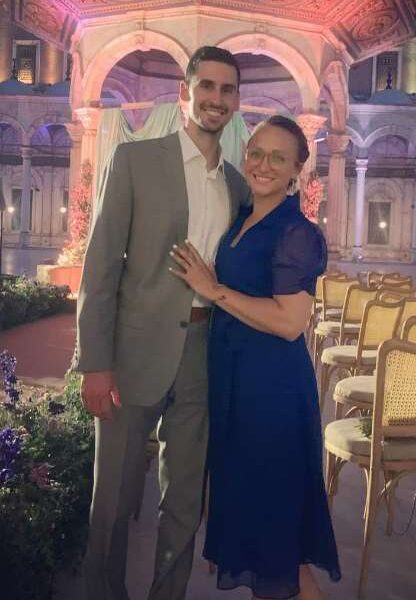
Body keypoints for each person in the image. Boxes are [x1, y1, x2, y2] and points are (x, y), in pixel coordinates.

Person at [73, 46, 250, 600]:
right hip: (132, 353)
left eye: (227, 89)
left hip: (204, 351)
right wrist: (94, 362)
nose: (216, 98)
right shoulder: (134, 160)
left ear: (236, 102)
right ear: (184, 93)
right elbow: (100, 267)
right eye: (207, 86)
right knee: (114, 497)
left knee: (184, 499)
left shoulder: (237, 186)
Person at [170, 115, 341, 600]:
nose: (264, 165)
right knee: (265, 542)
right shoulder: (245, 216)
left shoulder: (296, 232)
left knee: (277, 549)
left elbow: (290, 322)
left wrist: (213, 290)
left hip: (271, 397)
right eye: (257, 153)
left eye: (278, 158)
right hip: (237, 388)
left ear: (297, 170)